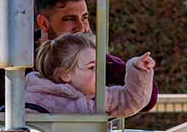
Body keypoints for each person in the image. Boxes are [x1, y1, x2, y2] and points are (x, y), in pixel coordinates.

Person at [0, 0, 158, 112]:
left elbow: (147, 99)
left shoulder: (96, 60)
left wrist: (139, 70)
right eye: (69, 19)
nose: (82, 27)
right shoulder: (13, 55)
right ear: (43, 23)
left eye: (85, 18)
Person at [25, 32, 155, 116]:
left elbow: (129, 100)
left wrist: (137, 69)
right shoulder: (36, 100)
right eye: (92, 67)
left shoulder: (98, 96)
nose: (100, 73)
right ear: (65, 74)